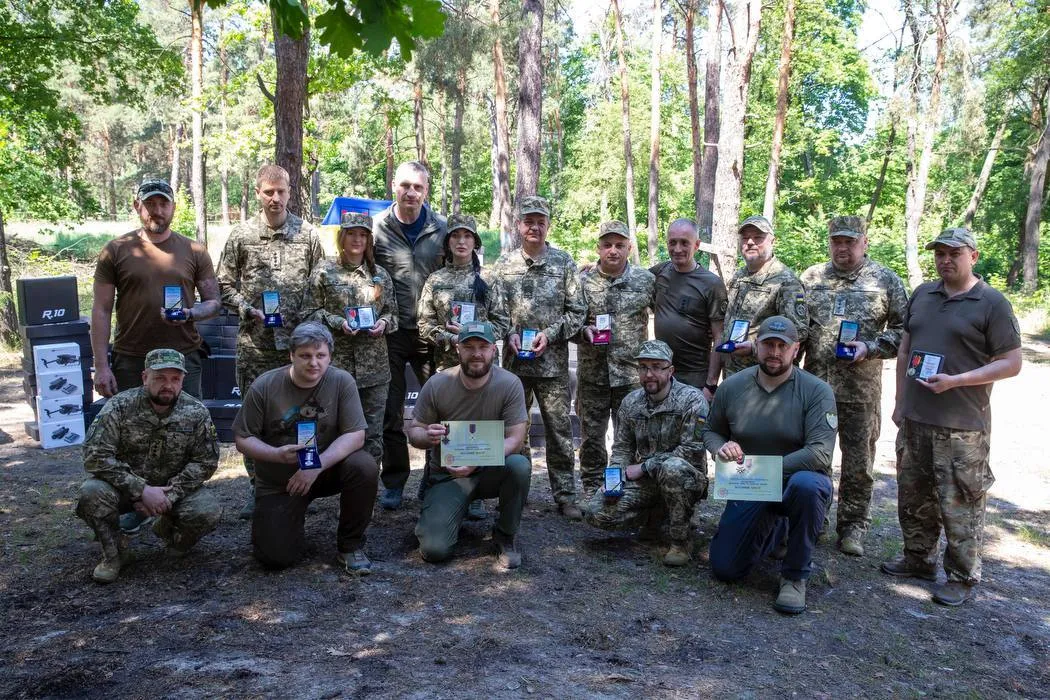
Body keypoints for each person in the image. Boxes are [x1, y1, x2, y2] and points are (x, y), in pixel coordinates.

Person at [881, 228, 1022, 607]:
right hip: (916, 417)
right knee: (914, 495)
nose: (945, 260)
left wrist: (958, 380)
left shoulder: (992, 303)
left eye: (954, 254)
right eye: (940, 253)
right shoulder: (923, 293)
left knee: (960, 502)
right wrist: (899, 399)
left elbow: (1012, 363)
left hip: (961, 424)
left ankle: (961, 576)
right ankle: (918, 558)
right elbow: (906, 345)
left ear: (972, 256)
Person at [705, 316, 838, 615]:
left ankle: (794, 576)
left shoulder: (817, 391)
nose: (774, 352)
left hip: (794, 483)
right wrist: (720, 447)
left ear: (796, 349)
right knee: (725, 569)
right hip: (750, 484)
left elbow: (820, 453)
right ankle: (776, 528)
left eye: (782, 346)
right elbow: (712, 431)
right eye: (768, 344)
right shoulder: (734, 386)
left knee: (808, 486)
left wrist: (767, 467)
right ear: (756, 347)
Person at [217, 164, 326, 519]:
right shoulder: (241, 235)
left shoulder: (307, 235)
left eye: (281, 191)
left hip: (299, 350)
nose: (275, 198)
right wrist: (248, 309)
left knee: (302, 415)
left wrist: (305, 325)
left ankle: (302, 481)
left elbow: (319, 284)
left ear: (290, 191)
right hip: (256, 345)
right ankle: (258, 486)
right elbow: (224, 285)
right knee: (258, 419)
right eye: (268, 192)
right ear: (258, 192)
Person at [232, 322, 379, 575]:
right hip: (282, 479)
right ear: (291, 355)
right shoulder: (264, 386)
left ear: (330, 356)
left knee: (364, 466)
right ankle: (288, 524)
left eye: (321, 355)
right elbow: (243, 438)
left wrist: (315, 467)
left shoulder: (342, 381)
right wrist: (275, 454)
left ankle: (350, 545)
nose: (314, 363)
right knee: (274, 558)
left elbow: (356, 435)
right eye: (305, 356)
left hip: (325, 471)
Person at [800, 216, 908, 556]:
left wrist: (871, 347)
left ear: (864, 242)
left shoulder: (884, 280)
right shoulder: (812, 278)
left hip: (860, 391)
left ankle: (852, 527)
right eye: (836, 241)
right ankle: (812, 521)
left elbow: (905, 329)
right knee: (813, 459)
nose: (842, 247)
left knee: (858, 464)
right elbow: (798, 329)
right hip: (815, 389)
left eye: (850, 241)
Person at [76, 348, 221, 584]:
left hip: (170, 491)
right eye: (160, 378)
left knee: (208, 510)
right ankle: (114, 555)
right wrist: (141, 490)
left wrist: (168, 496)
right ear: (145, 378)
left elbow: (205, 462)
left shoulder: (196, 412)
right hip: (123, 489)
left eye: (175, 379)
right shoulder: (119, 406)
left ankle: (171, 536)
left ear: (183, 380)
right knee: (91, 494)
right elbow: (95, 455)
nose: (168, 385)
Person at [491, 195, 587, 520]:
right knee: (514, 430)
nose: (534, 226)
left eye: (540, 221)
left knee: (559, 431)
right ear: (519, 225)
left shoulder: (564, 263)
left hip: (553, 367)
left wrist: (552, 333)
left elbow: (578, 311)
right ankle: (517, 490)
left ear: (548, 225)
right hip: (516, 365)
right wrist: (510, 333)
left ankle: (565, 495)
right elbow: (496, 309)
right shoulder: (504, 265)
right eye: (528, 221)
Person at [408, 321, 531, 568]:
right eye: (469, 346)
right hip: (449, 475)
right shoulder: (438, 383)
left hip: (491, 471)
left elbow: (516, 439)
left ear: (494, 350)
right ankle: (448, 512)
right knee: (434, 550)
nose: (476, 353)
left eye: (483, 347)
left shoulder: (509, 383)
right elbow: (414, 432)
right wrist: (427, 435)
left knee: (519, 465)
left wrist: (478, 461)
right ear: (457, 349)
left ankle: (505, 535)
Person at [91, 179, 221, 400]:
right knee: (132, 429)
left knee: (186, 429)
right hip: (132, 358)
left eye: (164, 204)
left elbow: (214, 302)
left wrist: (190, 314)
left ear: (173, 207)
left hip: (183, 355)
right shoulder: (115, 250)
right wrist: (101, 366)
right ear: (137, 206)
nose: (157, 211)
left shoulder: (194, 250)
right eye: (150, 203)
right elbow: (101, 310)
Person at [583, 340, 709, 566]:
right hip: (646, 481)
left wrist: (643, 467)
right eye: (642, 367)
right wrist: (614, 480)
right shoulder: (631, 402)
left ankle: (680, 541)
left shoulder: (692, 400)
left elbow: (691, 451)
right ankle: (658, 516)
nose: (648, 374)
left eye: (656, 367)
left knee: (672, 468)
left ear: (670, 371)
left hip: (685, 478)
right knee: (596, 512)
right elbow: (622, 448)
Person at [372, 161, 448, 510]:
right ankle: (394, 481)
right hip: (391, 332)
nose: (410, 193)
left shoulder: (442, 229)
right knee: (391, 410)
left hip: (431, 333)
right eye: (404, 186)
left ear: (426, 191)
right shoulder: (378, 229)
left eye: (417, 187)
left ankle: (437, 478)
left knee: (441, 408)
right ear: (393, 187)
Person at [308, 211, 398, 466]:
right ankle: (320, 484)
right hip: (334, 368)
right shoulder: (324, 271)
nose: (357, 239)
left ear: (369, 240)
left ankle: (365, 492)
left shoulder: (380, 275)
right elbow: (309, 312)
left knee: (372, 434)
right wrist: (338, 323)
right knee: (327, 431)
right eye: (351, 234)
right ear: (342, 237)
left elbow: (393, 314)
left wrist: (384, 323)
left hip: (375, 370)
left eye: (362, 234)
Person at [575, 220, 655, 493]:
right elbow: (570, 320)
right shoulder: (581, 281)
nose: (613, 251)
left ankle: (625, 489)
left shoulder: (645, 280)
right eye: (607, 245)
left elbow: (667, 315)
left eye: (620, 245)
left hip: (631, 376)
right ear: (598, 248)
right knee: (591, 438)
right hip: (592, 375)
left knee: (630, 437)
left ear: (629, 248)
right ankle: (591, 489)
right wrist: (583, 330)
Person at [716, 215, 809, 379]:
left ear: (772, 241)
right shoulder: (739, 276)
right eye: (745, 238)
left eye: (758, 237)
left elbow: (798, 332)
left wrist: (755, 348)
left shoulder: (786, 282)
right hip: (733, 374)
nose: (750, 242)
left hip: (766, 377)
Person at [417, 213, 508, 372]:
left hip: (484, 365)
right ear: (448, 242)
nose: (461, 241)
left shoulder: (490, 279)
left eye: (467, 236)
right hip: (447, 366)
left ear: (475, 242)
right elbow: (424, 324)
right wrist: (450, 338)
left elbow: (502, 323)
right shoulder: (435, 279)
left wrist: (471, 334)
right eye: (455, 236)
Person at [650, 218, 727, 401]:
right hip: (662, 372)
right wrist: (597, 266)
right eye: (672, 242)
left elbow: (719, 336)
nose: (677, 249)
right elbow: (629, 275)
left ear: (697, 245)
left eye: (685, 243)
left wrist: (710, 384)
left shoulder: (712, 284)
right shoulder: (660, 272)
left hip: (695, 377)